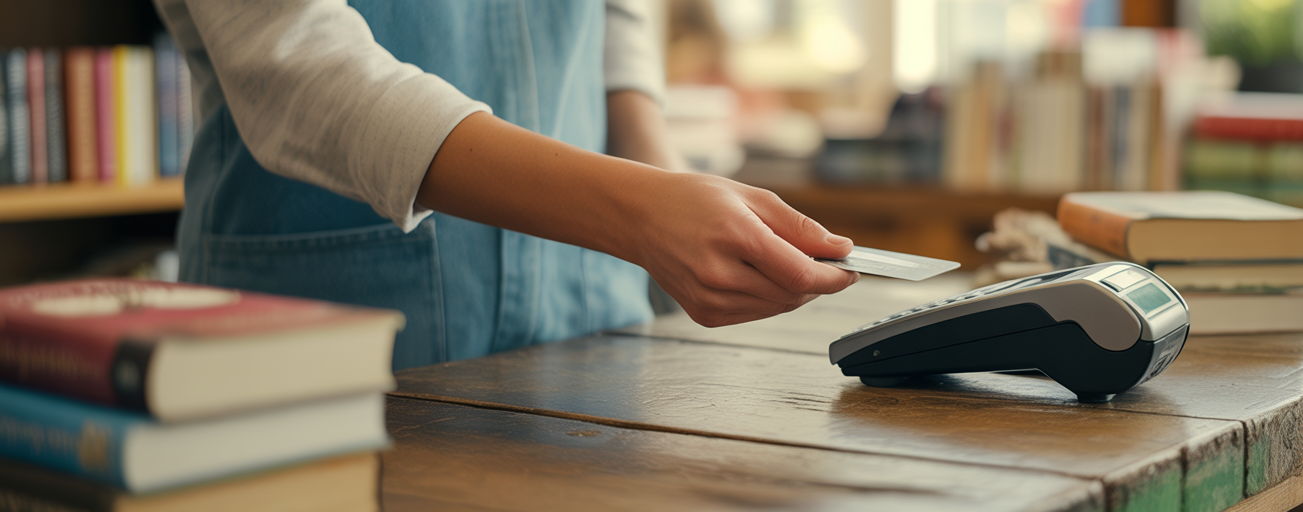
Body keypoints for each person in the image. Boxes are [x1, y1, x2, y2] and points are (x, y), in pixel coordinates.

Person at [154, 0, 860, 370]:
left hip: (592, 326)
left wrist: (664, 176)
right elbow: (294, 63)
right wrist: (640, 211)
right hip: (325, 342)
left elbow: (612, 13)